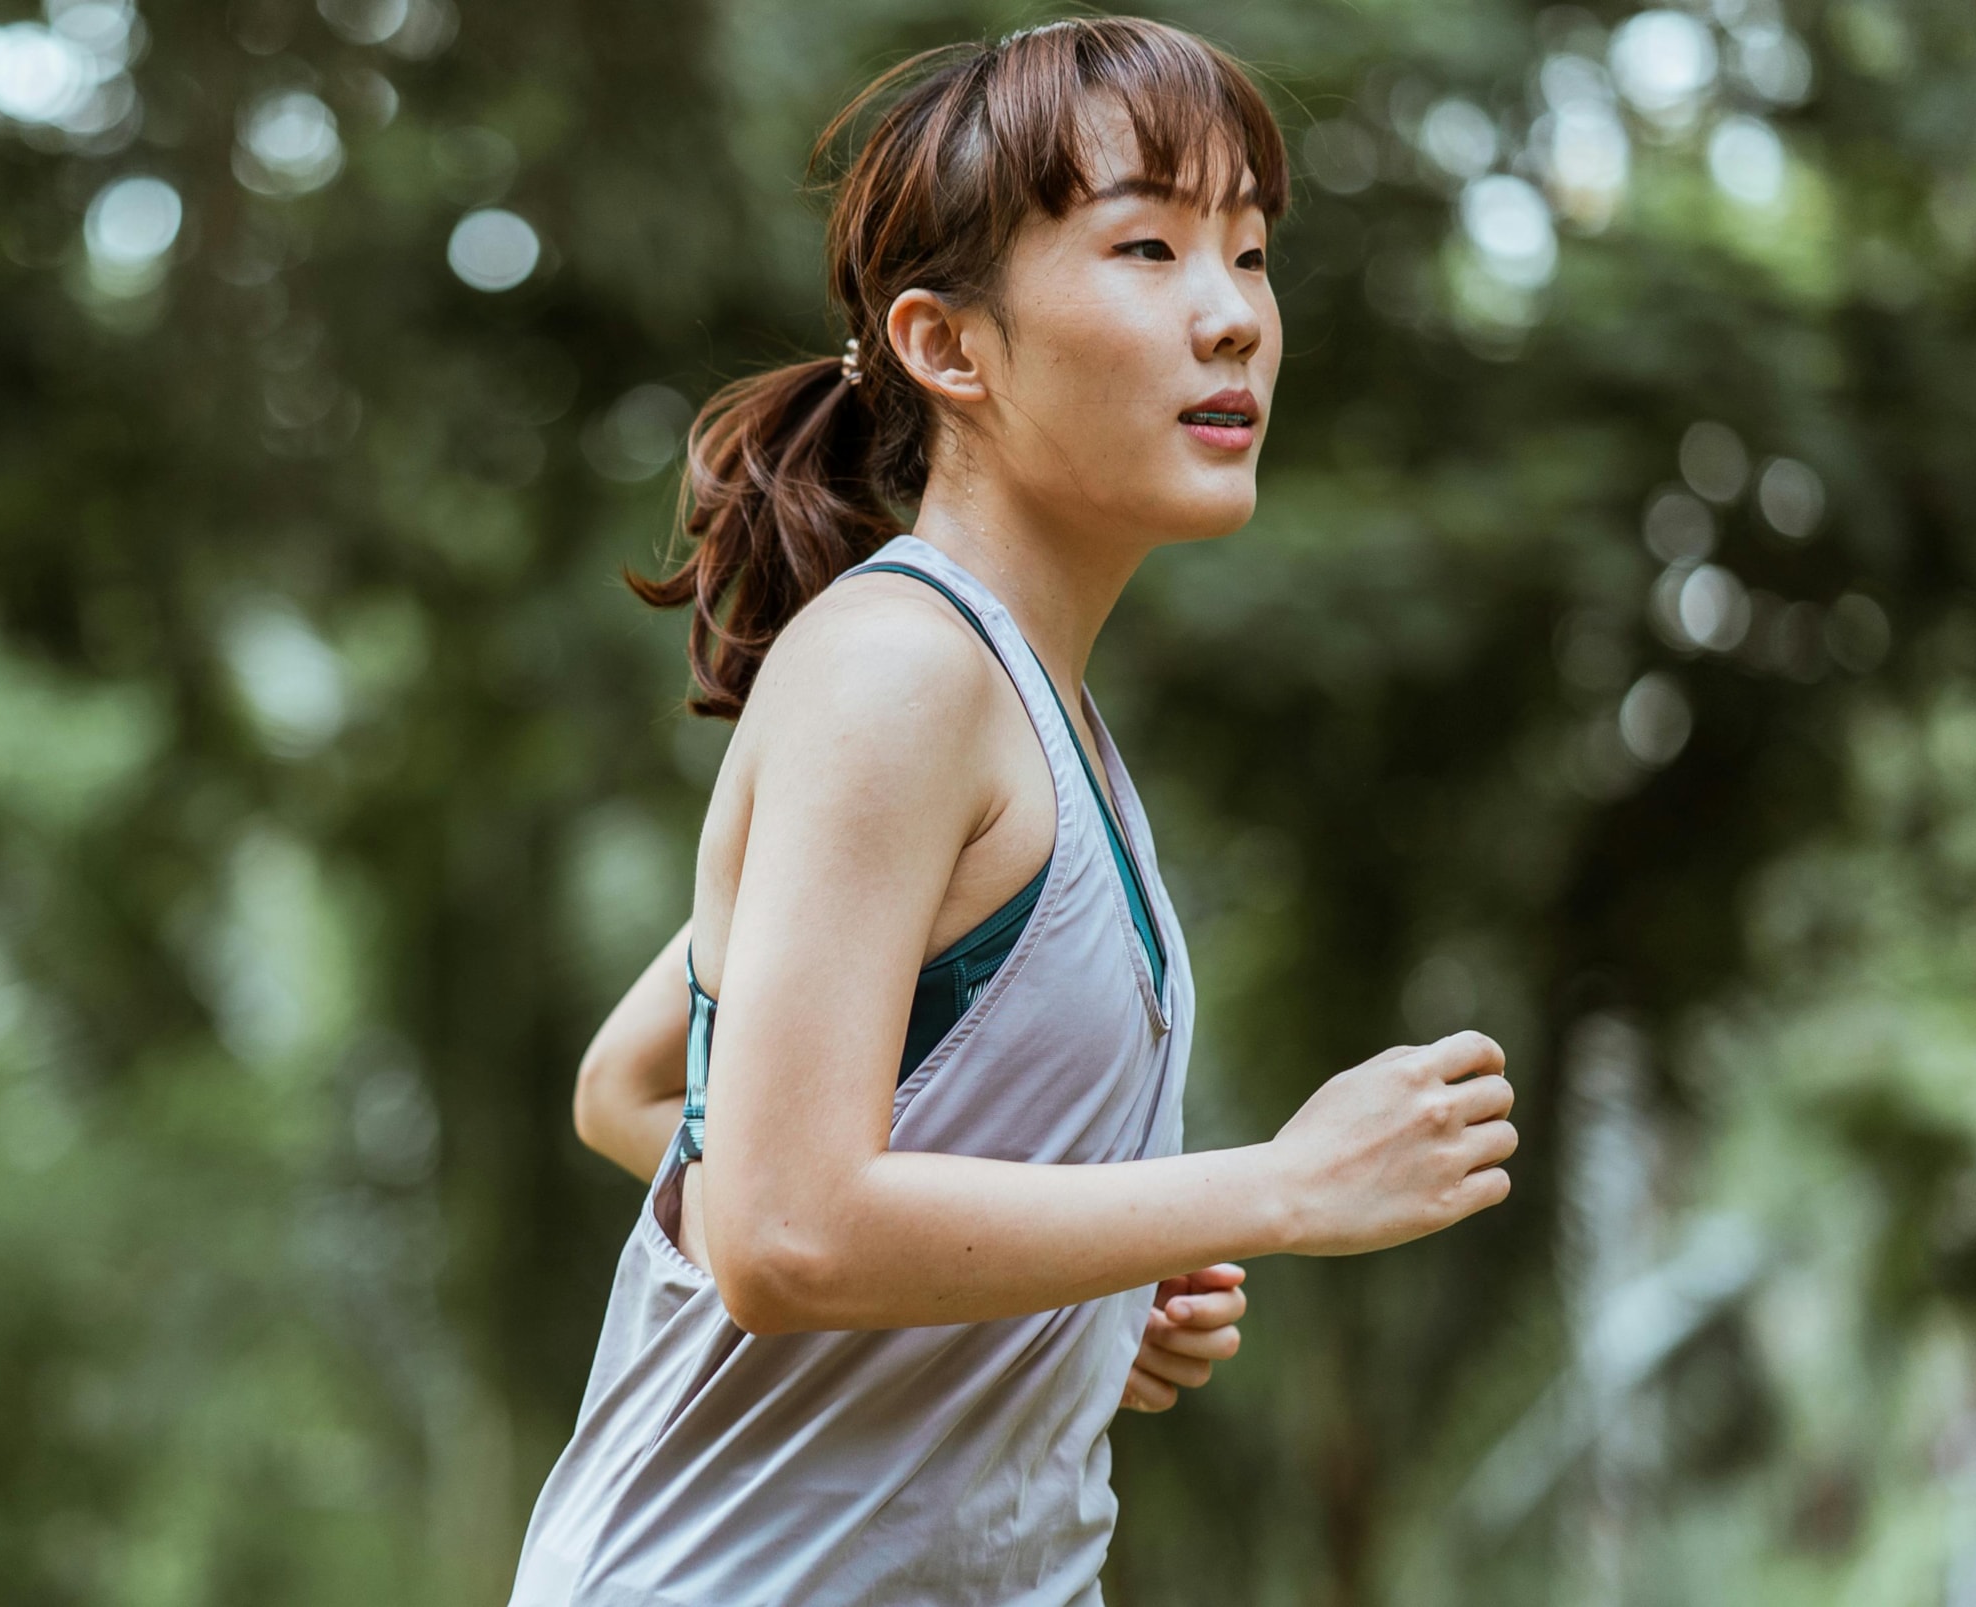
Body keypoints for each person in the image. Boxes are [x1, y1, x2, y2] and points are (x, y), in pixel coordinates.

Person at [512, 17, 1519, 1605]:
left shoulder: (1027, 707)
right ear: (950, 346)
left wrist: (1032, 1295)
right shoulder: (899, 671)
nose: (1233, 319)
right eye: (1146, 246)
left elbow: (639, 1083)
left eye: (1248, 254)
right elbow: (778, 1229)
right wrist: (1289, 1184)